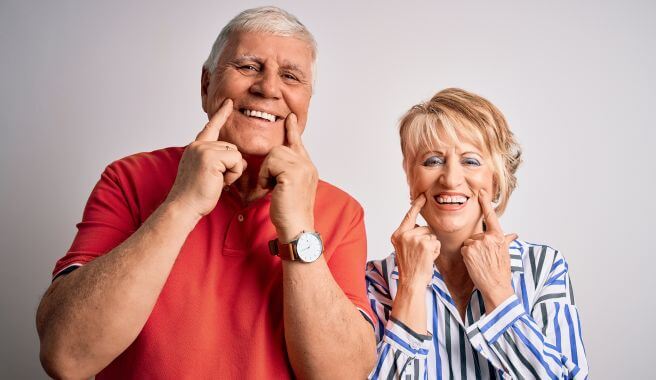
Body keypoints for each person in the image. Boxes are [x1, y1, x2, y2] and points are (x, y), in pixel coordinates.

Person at [35, 6, 375, 379]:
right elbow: (66, 356)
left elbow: (342, 374)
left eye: (291, 76)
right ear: (206, 84)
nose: (269, 87)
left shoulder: (343, 212)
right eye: (248, 66)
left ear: (307, 103)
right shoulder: (129, 179)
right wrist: (183, 203)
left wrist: (297, 227)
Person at [366, 88, 588, 379]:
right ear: (411, 178)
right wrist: (410, 287)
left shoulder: (543, 267)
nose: (451, 179)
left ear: (496, 181)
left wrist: (498, 290)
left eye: (470, 161)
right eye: (432, 161)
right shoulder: (378, 280)